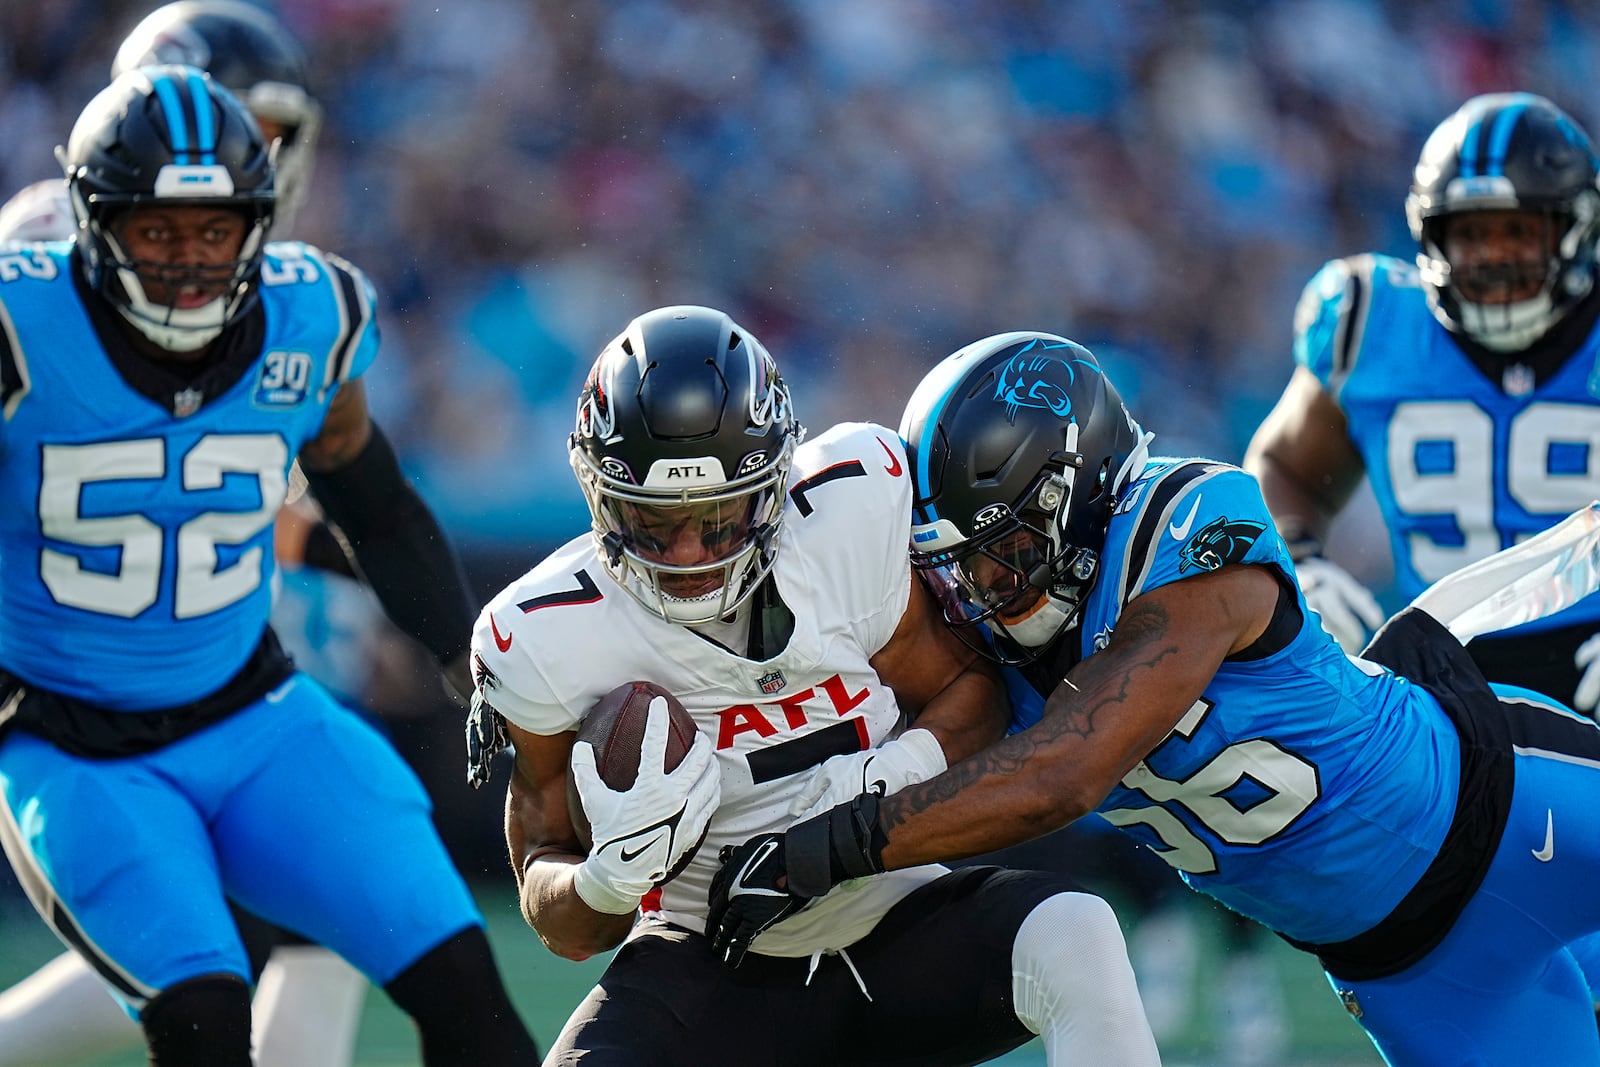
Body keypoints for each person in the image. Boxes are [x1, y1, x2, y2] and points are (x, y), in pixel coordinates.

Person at [707, 330, 1600, 1067]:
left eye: (1005, 551)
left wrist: (835, 842)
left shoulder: (1190, 521)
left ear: (1079, 491)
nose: (980, 591)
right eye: (958, 568)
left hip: (1509, 805)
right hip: (1403, 967)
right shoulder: (985, 652)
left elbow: (1067, 770)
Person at [0, 65, 538, 1066]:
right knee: (205, 1017)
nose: (189, 261)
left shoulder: (309, 316)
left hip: (258, 717)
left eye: (214, 229)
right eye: (157, 231)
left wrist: (462, 655)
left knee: (465, 983)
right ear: (93, 222)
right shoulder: (19, 325)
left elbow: (370, 498)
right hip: (72, 745)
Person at [463, 305, 1160, 1065]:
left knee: (1078, 929)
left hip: (889, 913)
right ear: (600, 497)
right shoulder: (543, 633)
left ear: (775, 482)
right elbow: (555, 906)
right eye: (654, 521)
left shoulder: (849, 513)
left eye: (721, 517)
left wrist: (871, 792)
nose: (691, 553)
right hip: (704, 946)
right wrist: (605, 878)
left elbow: (973, 691)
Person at [0, 6, 370, 1065]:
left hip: (153, 657)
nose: (250, 154)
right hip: (73, 676)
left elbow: (227, 495)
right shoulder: (50, 251)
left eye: (267, 129)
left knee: (291, 908)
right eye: (240, 119)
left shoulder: (224, 266)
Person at [1242, 92, 1600, 705]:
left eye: (1517, 232)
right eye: (1470, 235)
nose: (1492, 258)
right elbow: (1286, 467)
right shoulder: (1374, 322)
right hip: (1437, 673)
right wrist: (1297, 561)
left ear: (1576, 228)